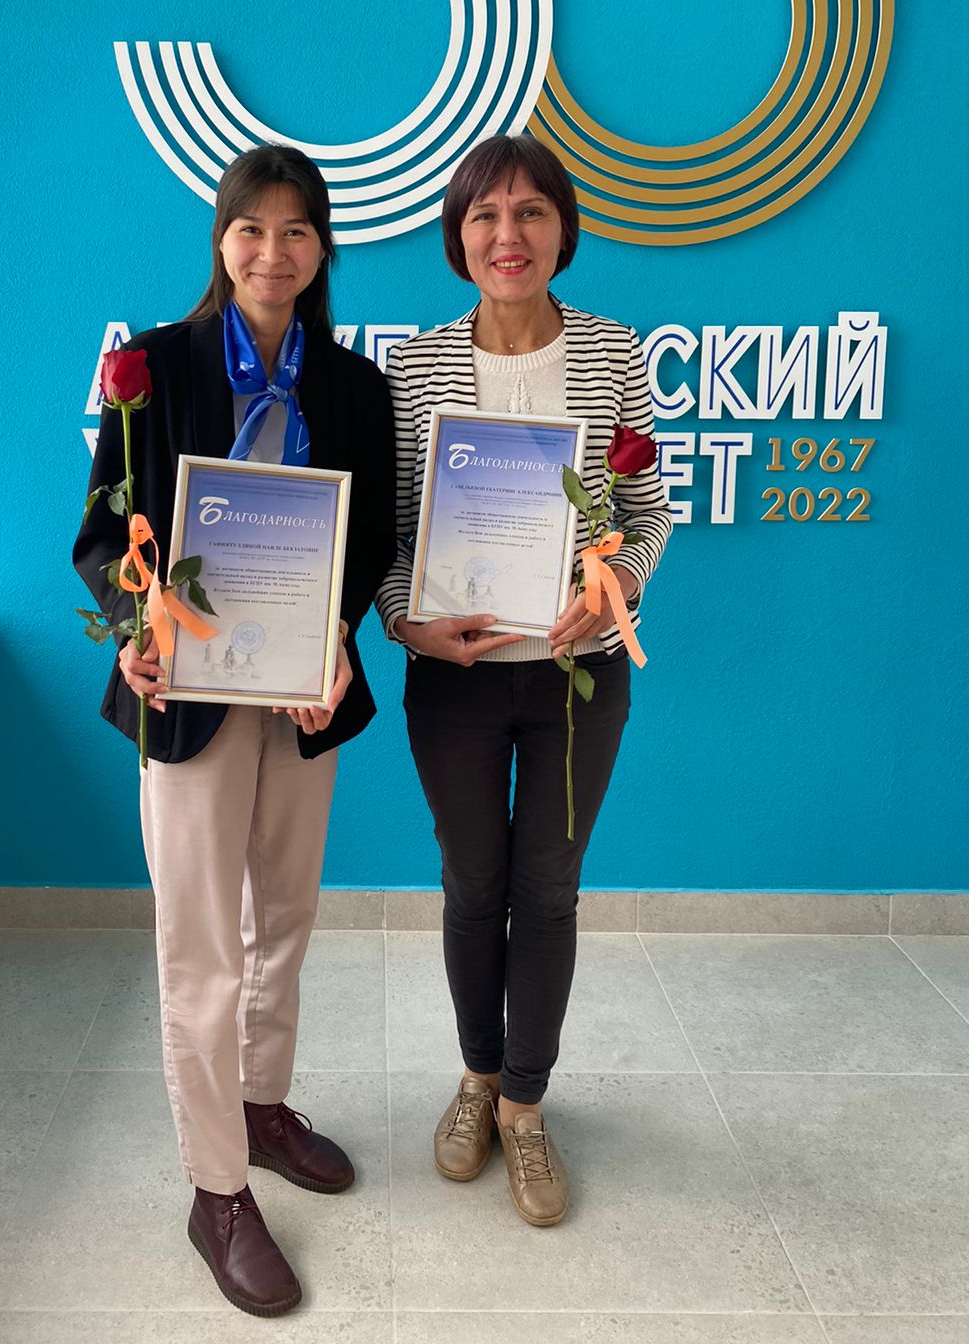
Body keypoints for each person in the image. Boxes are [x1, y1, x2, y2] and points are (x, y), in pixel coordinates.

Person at [74, 145, 395, 1316]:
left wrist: (338, 639)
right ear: (221, 240)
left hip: (300, 694)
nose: (273, 250)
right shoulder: (154, 367)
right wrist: (134, 626)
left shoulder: (355, 386)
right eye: (251, 228)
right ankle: (216, 1189)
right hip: (189, 692)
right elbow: (104, 538)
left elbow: (367, 544)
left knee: (286, 918)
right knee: (201, 945)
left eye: (296, 229)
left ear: (323, 247)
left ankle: (260, 1105)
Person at [376, 134, 671, 1228]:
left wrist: (615, 585)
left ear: (563, 230)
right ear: (458, 237)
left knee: (547, 890)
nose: (510, 235)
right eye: (486, 215)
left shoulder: (613, 354)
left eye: (531, 212)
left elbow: (647, 513)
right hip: (453, 679)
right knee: (472, 886)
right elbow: (389, 538)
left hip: (574, 679)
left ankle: (525, 1104)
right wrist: (406, 620)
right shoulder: (414, 369)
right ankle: (477, 1075)